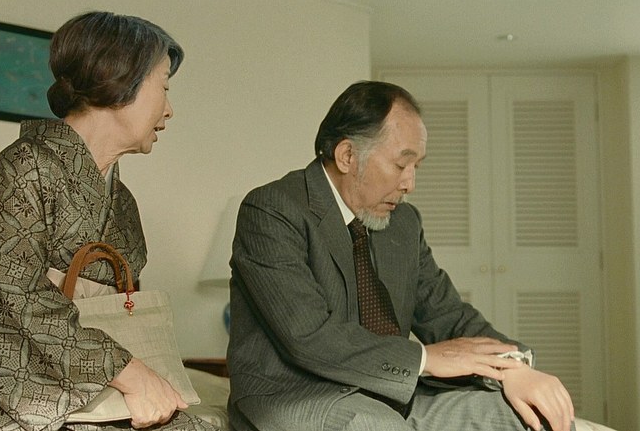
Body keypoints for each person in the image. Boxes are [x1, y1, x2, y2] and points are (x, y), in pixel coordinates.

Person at [227, 81, 575, 431]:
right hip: (301, 396)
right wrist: (426, 359)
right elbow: (309, 336)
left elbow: (448, 315)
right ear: (347, 156)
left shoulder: (404, 223)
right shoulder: (272, 210)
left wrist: (514, 367)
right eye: (401, 165)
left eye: (416, 167)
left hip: (394, 395)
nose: (410, 184)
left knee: (535, 416)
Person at [0, 12, 217, 431]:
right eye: (165, 88)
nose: (169, 110)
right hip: (0, 391)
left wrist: (132, 376)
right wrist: (129, 373)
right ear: (119, 82)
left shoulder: (121, 201)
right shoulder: (24, 168)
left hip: (92, 379)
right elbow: (11, 299)